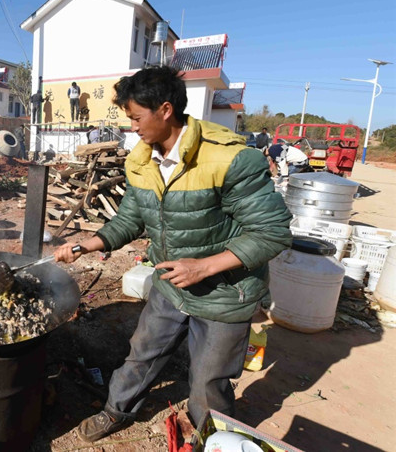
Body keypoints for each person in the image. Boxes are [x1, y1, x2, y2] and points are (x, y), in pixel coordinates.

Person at [53, 66, 292, 443]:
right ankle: (116, 410)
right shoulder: (142, 160)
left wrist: (204, 267)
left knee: (208, 381)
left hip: (225, 293)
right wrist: (84, 245)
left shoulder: (229, 159)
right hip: (171, 283)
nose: (132, 127)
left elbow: (273, 232)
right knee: (141, 353)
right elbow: (130, 219)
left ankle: (209, 439)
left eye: (135, 117)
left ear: (165, 110)